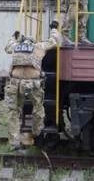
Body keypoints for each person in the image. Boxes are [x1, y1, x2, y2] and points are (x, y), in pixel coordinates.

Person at [4, 20, 61, 150]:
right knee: (38, 110)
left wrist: (14, 36)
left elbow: (8, 46)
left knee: (13, 112)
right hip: (33, 84)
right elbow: (54, 41)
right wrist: (54, 29)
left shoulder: (16, 47)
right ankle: (36, 132)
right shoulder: (38, 47)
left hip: (14, 84)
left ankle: (14, 142)